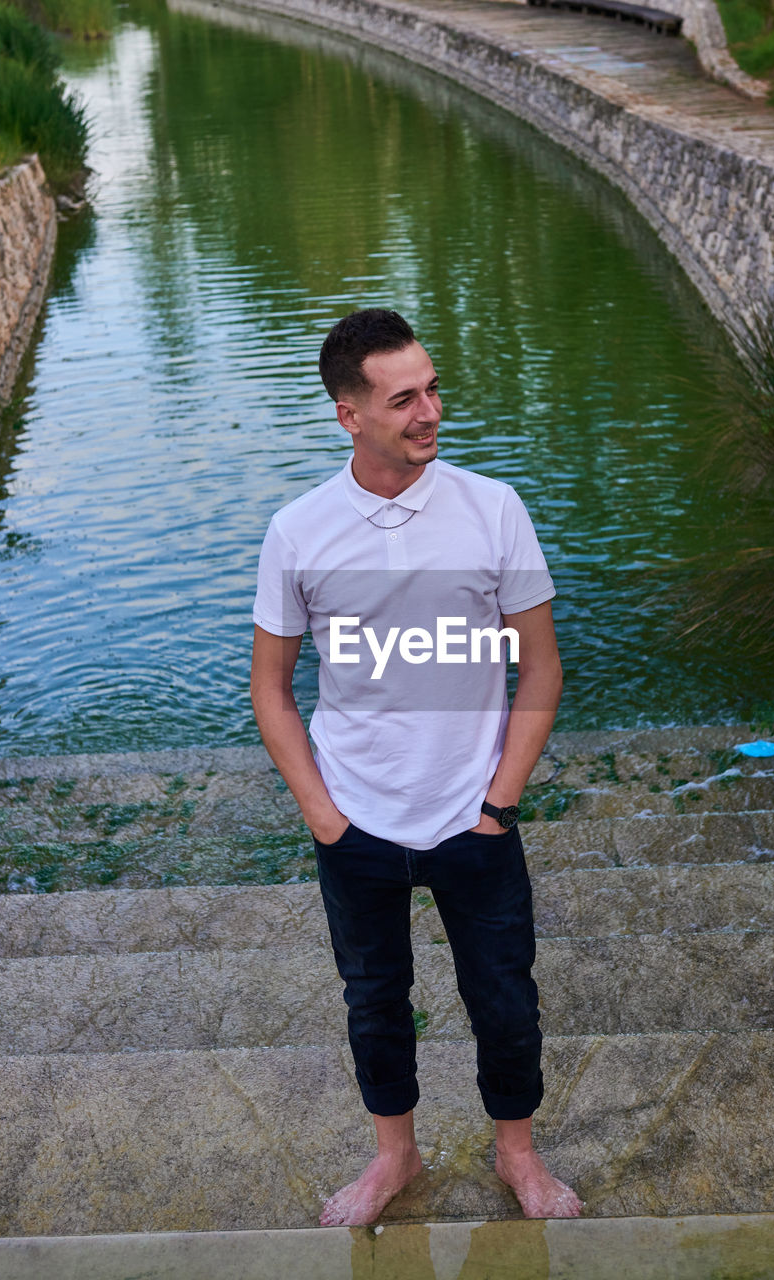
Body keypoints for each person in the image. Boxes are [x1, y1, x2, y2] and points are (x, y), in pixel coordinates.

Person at [250, 308, 582, 1226]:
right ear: (350, 415)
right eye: (405, 399)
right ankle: (394, 1157)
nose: (430, 410)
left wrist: (500, 800)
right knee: (375, 1003)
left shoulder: (493, 509)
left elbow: (541, 669)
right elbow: (272, 689)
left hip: (474, 817)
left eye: (433, 388)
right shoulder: (299, 532)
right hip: (356, 821)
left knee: (506, 999)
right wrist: (323, 813)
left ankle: (517, 1154)